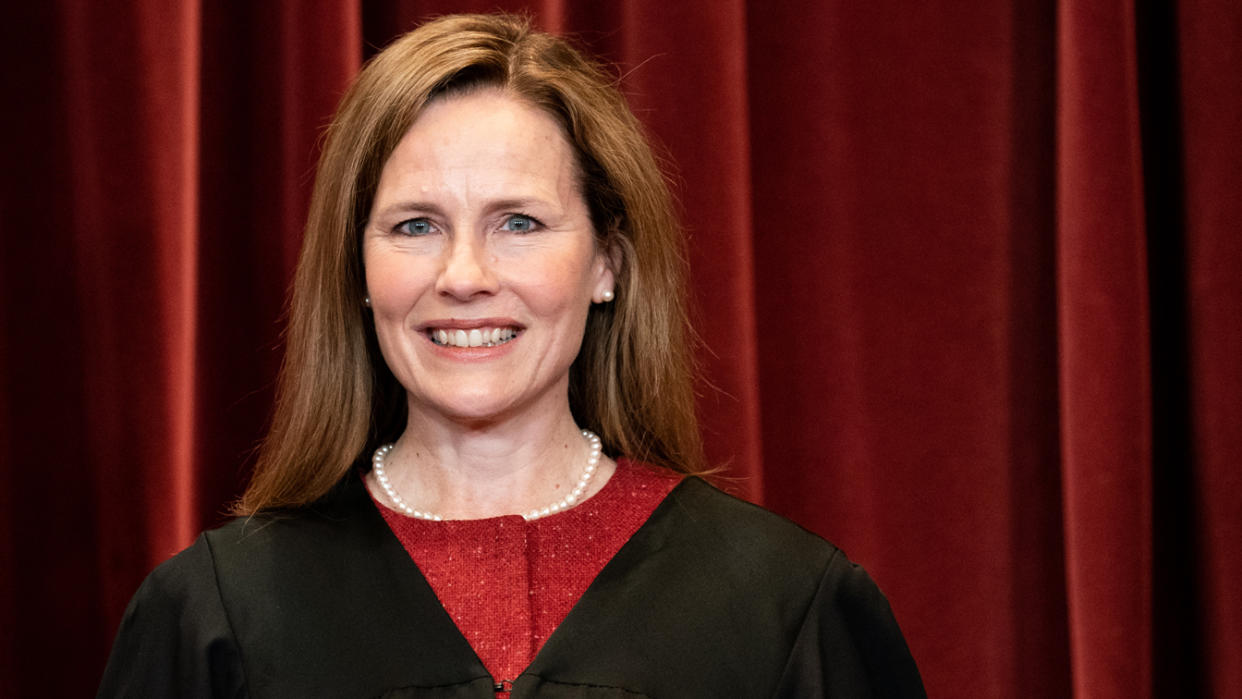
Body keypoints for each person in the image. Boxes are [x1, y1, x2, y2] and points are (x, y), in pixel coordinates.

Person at [98, 13, 925, 698]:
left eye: (519, 222)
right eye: (415, 225)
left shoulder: (786, 610)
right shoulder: (213, 619)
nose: (464, 276)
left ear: (607, 262)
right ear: (357, 267)